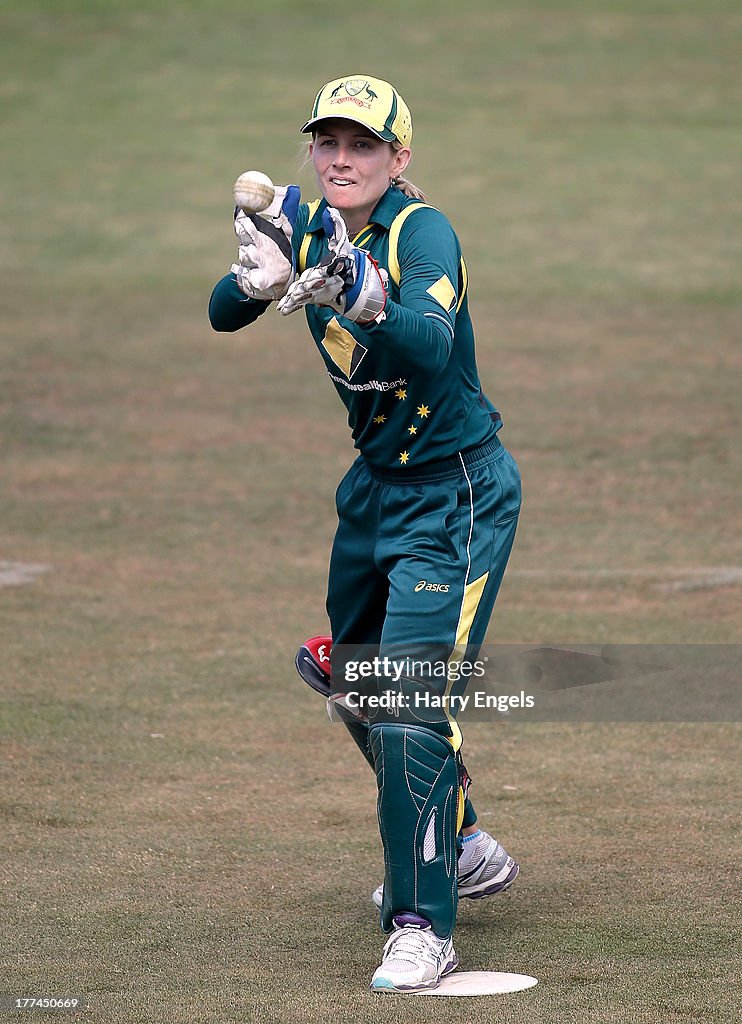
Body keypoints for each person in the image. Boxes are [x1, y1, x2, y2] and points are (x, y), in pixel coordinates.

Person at [209, 74, 522, 993]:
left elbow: (426, 344)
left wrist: (363, 293)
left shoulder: (423, 233)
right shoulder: (300, 216)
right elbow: (223, 313)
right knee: (349, 677)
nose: (342, 159)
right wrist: (249, 278)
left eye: (364, 146)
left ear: (399, 159)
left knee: (411, 697)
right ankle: (460, 841)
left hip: (457, 493)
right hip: (374, 491)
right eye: (328, 142)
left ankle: (421, 925)